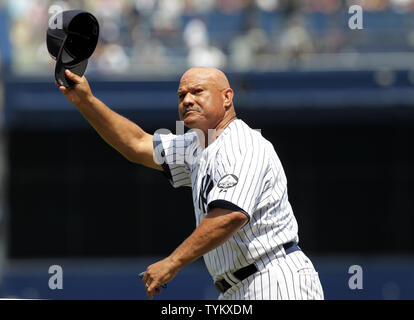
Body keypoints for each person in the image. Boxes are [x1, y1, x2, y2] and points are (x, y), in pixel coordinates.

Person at [58, 67, 324, 300]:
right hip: (238, 287)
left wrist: (173, 262)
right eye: (181, 95)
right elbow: (136, 144)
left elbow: (229, 215)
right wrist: (86, 101)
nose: (187, 100)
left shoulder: (241, 144)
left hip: (274, 279)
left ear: (227, 97)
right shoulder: (199, 145)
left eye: (198, 92)